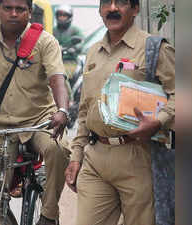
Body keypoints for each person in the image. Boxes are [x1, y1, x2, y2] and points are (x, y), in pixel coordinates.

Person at [64, 0, 175, 225]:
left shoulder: (154, 48)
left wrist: (158, 121)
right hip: (96, 158)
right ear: (100, 9)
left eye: (122, 2)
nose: (112, 8)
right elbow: (85, 110)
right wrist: (76, 156)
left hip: (138, 157)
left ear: (135, 9)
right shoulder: (94, 52)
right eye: (106, 2)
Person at [0, 0, 71, 224]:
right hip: (0, 126)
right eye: (8, 8)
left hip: (39, 122)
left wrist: (62, 110)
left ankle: (49, 214)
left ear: (29, 12)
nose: (14, 14)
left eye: (20, 9)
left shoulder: (45, 41)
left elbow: (57, 79)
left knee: (58, 149)